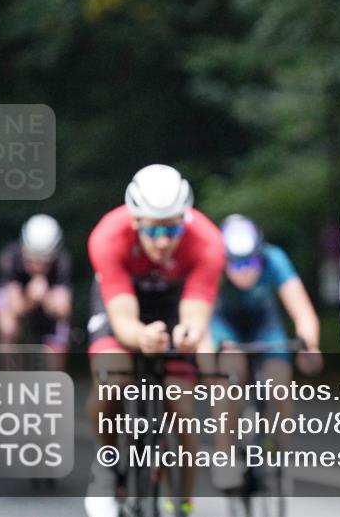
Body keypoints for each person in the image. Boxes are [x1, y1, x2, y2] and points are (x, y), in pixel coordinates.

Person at [84, 164, 225, 517]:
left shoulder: (207, 240)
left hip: (173, 303)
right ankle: (106, 467)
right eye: (155, 230)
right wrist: (140, 336)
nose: (164, 240)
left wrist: (189, 334)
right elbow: (122, 322)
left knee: (181, 408)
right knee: (112, 379)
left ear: (186, 219)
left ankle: (182, 502)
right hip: (122, 300)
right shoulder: (107, 236)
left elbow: (195, 313)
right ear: (135, 222)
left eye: (173, 228)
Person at [201, 214, 323, 492]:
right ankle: (226, 454)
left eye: (252, 263)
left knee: (279, 381)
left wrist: (310, 345)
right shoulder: (212, 263)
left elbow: (303, 312)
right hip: (225, 326)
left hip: (264, 326)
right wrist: (206, 357)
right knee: (229, 373)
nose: (245, 271)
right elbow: (201, 319)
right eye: (237, 264)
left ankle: (277, 449)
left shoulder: (275, 258)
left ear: (261, 253)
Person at [0, 214, 72, 366]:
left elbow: (64, 310)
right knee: (9, 328)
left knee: (60, 335)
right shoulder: (11, 257)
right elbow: (16, 308)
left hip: (46, 305)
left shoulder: (62, 262)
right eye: (33, 259)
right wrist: (31, 297)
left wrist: (46, 297)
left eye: (45, 261)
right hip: (21, 302)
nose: (38, 266)